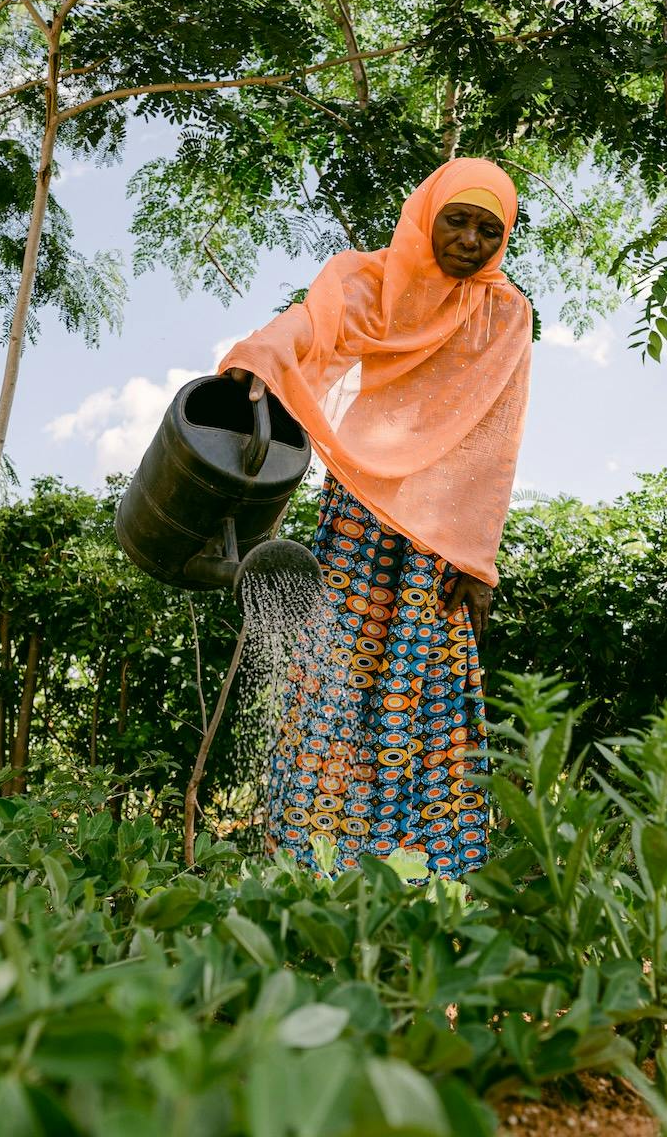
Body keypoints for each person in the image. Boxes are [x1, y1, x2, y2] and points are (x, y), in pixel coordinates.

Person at [219, 157, 532, 880]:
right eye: (458, 219)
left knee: (425, 688)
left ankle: (428, 876)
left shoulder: (505, 313)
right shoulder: (374, 280)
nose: (472, 240)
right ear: (428, 217)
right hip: (362, 510)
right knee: (335, 677)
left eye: (491, 229)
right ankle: (315, 865)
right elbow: (311, 327)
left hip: (441, 538)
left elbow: (499, 440)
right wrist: (261, 357)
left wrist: (478, 559)